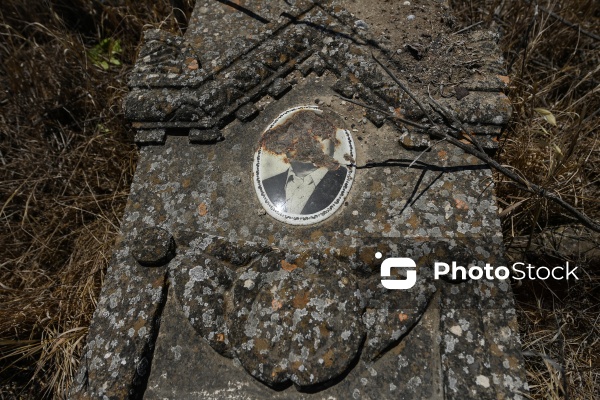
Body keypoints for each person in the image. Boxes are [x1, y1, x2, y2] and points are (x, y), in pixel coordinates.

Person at [260, 109, 348, 215]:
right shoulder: (268, 185)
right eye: (296, 135)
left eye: (320, 134)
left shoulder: (343, 179)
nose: (308, 142)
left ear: (333, 143)